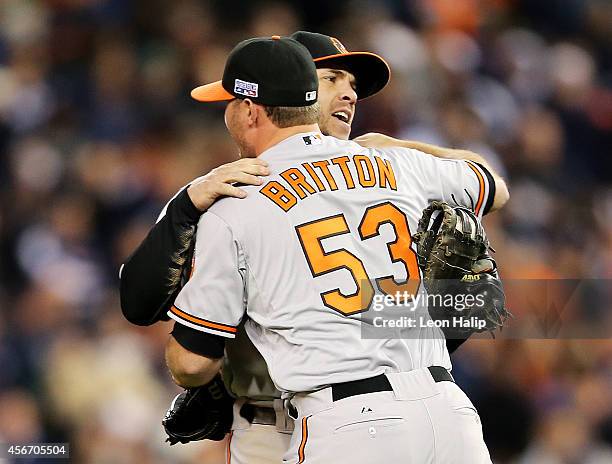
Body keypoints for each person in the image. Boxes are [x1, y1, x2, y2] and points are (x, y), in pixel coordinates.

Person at [120, 32, 506, 463]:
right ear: (299, 89)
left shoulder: (235, 204)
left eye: (353, 85)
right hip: (400, 410)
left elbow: (187, 356)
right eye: (332, 79)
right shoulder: (221, 191)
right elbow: (140, 297)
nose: (348, 94)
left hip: (337, 416)